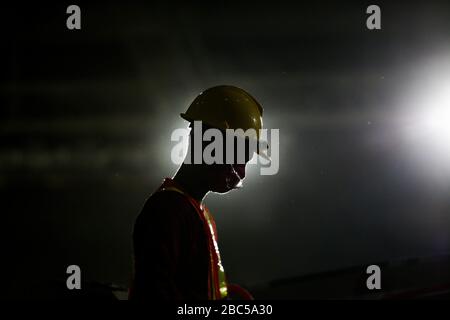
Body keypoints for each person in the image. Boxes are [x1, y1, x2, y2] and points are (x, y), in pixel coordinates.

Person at [129, 85, 268, 300]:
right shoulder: (168, 210)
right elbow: (154, 294)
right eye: (239, 158)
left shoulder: (192, 210)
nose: (241, 171)